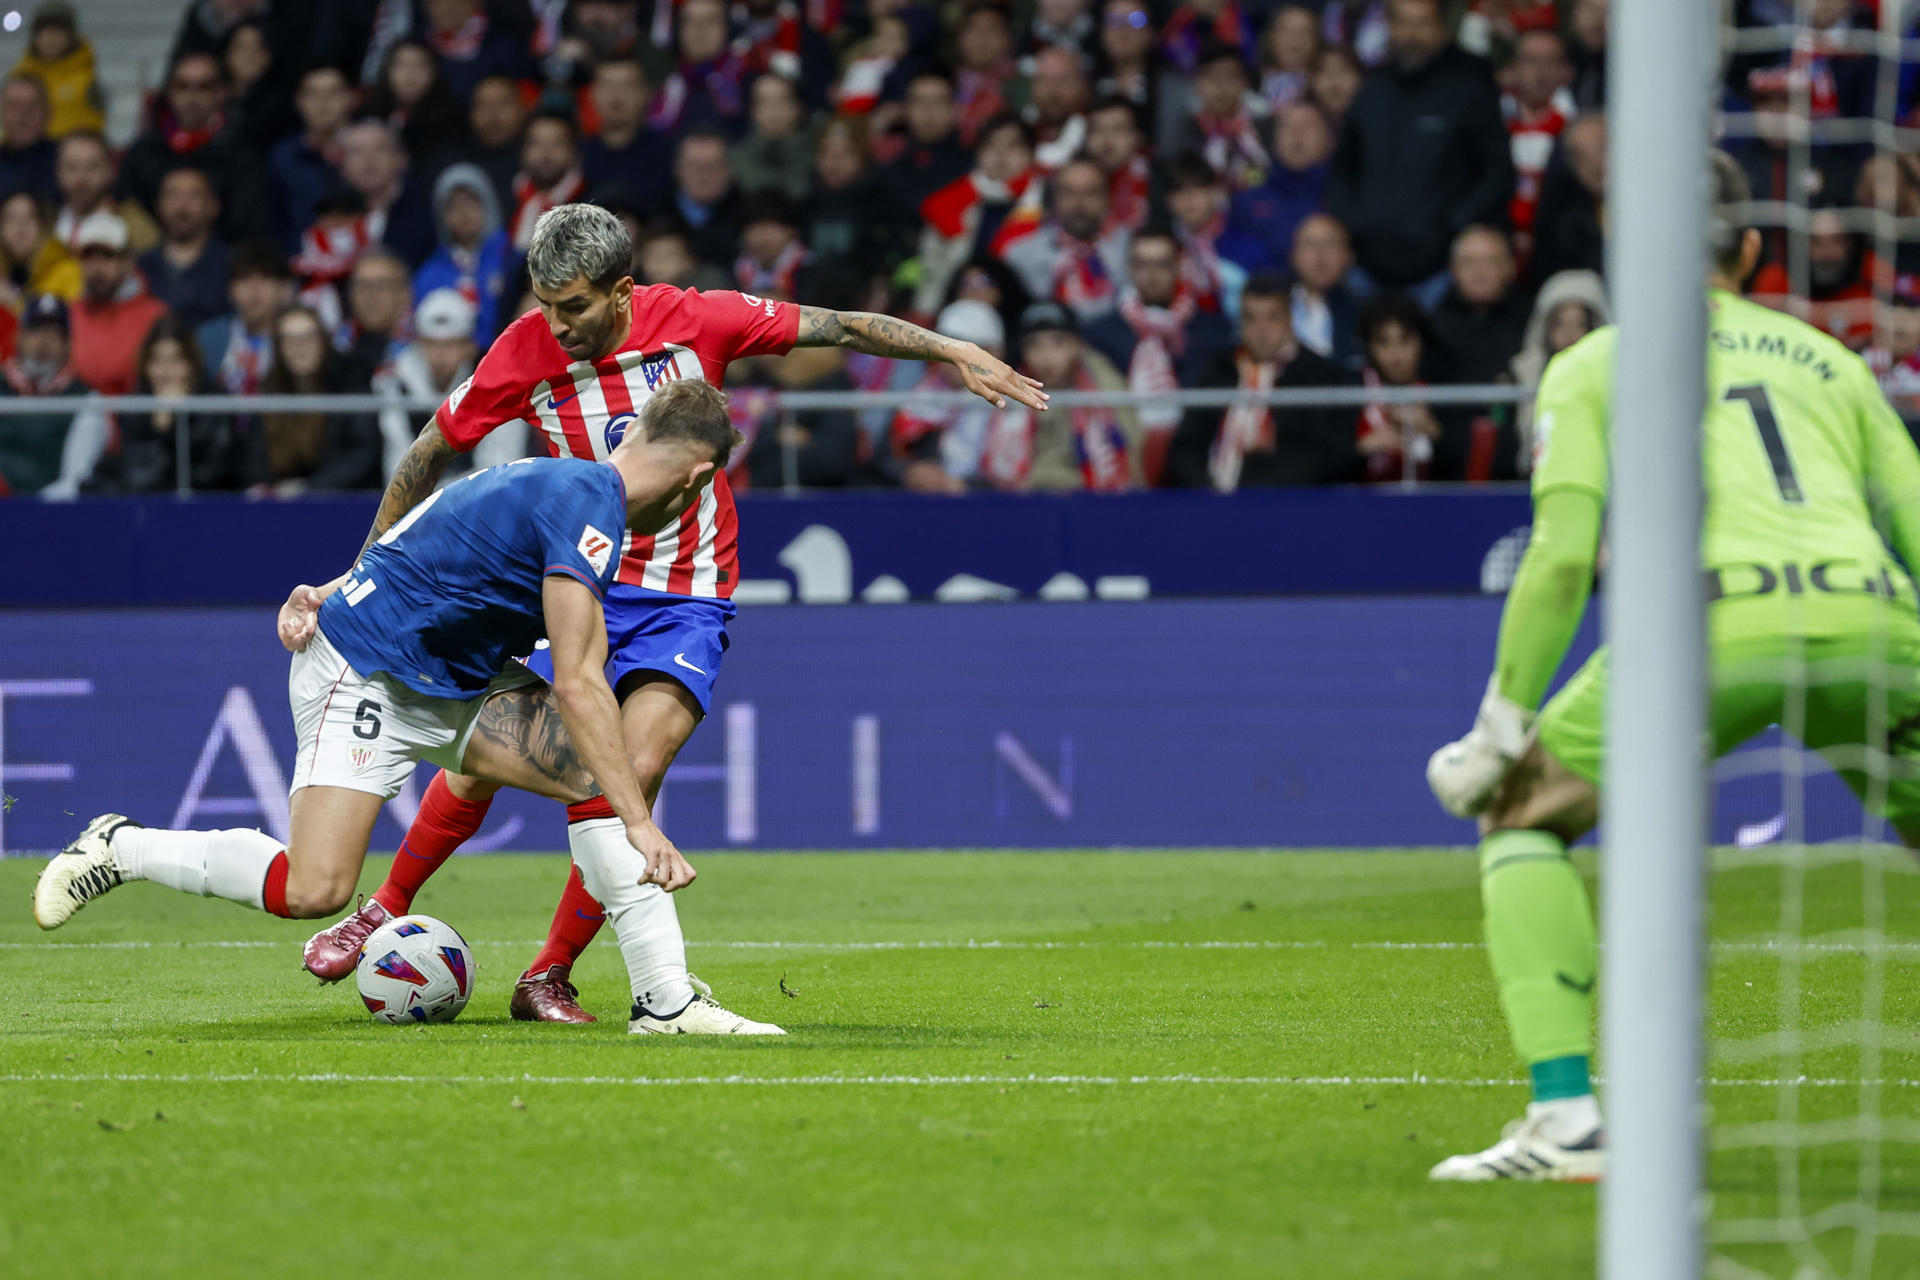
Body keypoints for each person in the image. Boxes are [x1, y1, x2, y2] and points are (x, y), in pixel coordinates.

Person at [302, 203, 1045, 1025]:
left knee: (632, 770)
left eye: (574, 306)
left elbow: (839, 328)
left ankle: (548, 974)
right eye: (544, 304)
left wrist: (950, 348)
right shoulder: (522, 350)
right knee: (484, 763)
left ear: (622, 290)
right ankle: (382, 905)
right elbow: (428, 454)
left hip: (686, 593)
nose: (557, 323)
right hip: (573, 581)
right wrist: (358, 572)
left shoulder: (696, 322)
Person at [1421, 153, 1920, 1180]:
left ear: (1622, 244)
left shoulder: (1599, 359)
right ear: (1749, 247)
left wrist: (1503, 719)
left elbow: (1562, 556)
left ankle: (1566, 1119)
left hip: (1706, 630)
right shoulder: (1832, 359)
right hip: (1875, 621)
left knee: (1522, 814)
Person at [34, 383, 740, 1044]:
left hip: (452, 675)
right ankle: (120, 846)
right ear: (697, 480)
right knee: (313, 890)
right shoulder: (589, 506)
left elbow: (430, 538)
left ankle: (664, 1001)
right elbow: (582, 683)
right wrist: (643, 824)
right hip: (363, 669)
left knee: (598, 777)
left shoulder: (563, 483)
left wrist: (335, 582)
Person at [1325, 0, 1513, 307]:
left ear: (1441, 30)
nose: (1412, 34)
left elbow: (1497, 173)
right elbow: (1342, 166)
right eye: (1402, 22)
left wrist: (1454, 223)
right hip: (1366, 268)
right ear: (1389, 27)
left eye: (1423, 23)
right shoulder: (1372, 88)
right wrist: (1354, 222)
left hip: (1440, 275)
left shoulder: (1469, 90)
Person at [1168, 271, 1354, 488]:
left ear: (1289, 319)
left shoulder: (1320, 376)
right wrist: (1207, 489)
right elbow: (1187, 445)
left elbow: (1323, 455)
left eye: (1272, 317)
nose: (1261, 330)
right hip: (1213, 500)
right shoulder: (1219, 369)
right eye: (1251, 318)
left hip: (1288, 503)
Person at [1084, 225, 1232, 471]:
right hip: (1126, 458)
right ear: (1129, 268)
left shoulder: (1213, 330)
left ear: (1178, 267)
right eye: (1142, 264)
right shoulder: (1101, 334)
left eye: (1162, 264)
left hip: (1199, 460)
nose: (1152, 275)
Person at [985, 299, 1140, 491]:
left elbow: (1131, 454)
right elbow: (998, 470)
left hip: (1095, 499)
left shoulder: (1103, 384)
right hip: (1027, 500)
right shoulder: (1011, 390)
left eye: (1058, 343)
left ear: (1078, 346)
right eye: (1034, 345)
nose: (1046, 356)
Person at [119, 50, 269, 243]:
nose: (192, 96)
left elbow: (247, 225)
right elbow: (129, 209)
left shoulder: (242, 156)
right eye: (183, 86)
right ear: (169, 92)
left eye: (204, 87)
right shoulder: (143, 153)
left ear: (221, 92)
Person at [247, 303, 382, 494]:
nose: (299, 347)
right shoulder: (270, 390)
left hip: (343, 502)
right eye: (290, 340)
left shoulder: (350, 382)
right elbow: (255, 457)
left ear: (323, 342)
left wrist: (308, 489)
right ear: (279, 348)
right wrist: (261, 487)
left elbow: (362, 452)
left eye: (308, 338)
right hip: (281, 504)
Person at [105, 314, 236, 493]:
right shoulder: (134, 407)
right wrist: (160, 425)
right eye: (156, 360)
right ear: (145, 365)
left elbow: (213, 473)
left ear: (191, 364)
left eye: (175, 360)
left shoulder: (215, 403)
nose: (165, 371)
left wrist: (175, 424)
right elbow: (137, 477)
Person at [0, 292, 105, 498]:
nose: (43, 341)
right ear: (19, 337)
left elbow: (75, 480)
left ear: (67, 345)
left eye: (54, 333)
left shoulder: (86, 399)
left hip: (50, 518)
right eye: (36, 330)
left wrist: (26, 510)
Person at [377, 287, 488, 480]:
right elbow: (396, 465)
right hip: (416, 500)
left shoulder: (489, 384)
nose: (439, 355)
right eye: (431, 344)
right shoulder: (395, 382)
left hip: (474, 501)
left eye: (450, 344)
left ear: (468, 348)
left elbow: (499, 461)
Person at [1004, 156, 1129, 321]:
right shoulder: (1020, 254)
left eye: (1090, 193)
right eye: (1068, 193)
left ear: (1107, 198)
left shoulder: (1130, 247)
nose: (1079, 203)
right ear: (1055, 198)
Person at [1506, 267, 1607, 469]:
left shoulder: (1614, 377)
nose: (1569, 334)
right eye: (1560, 323)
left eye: (1580, 324)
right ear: (1544, 326)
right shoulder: (1520, 374)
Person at [1219, 99, 1331, 274]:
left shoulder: (1345, 198)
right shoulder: (1245, 202)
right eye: (1287, 127)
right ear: (1274, 139)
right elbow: (1230, 259)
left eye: (1307, 126)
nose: (1297, 134)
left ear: (1329, 139)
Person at [68, 211, 169, 397]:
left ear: (128, 261)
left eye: (107, 256)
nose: (97, 268)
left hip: (133, 420)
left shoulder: (156, 316)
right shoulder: (68, 314)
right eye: (88, 257)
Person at [414, 163, 514, 344]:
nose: (464, 212)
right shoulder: (430, 273)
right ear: (441, 216)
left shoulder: (511, 257)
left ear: (488, 205)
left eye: (471, 201)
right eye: (453, 206)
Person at [1427, 225, 1531, 385]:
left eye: (1490, 261)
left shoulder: (1531, 320)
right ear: (1453, 269)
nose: (1479, 271)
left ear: (1510, 268)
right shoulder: (1432, 327)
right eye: (1469, 262)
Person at [266, 65, 355, 242]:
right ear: (298, 101)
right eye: (312, 94)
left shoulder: (370, 149)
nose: (323, 102)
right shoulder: (283, 157)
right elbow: (275, 222)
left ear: (349, 98)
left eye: (333, 93)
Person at [136, 165, 229, 330]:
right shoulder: (139, 268)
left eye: (194, 196)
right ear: (158, 205)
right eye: (173, 195)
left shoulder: (231, 266)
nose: (182, 206)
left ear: (213, 206)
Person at [196, 239, 292, 393]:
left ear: (284, 289)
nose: (254, 289)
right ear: (230, 291)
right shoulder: (208, 339)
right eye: (244, 278)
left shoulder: (299, 338)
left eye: (265, 278)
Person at [581, 56, 671, 211]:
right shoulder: (577, 155)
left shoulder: (668, 155)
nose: (616, 96)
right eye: (607, 85)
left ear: (646, 94)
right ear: (592, 94)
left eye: (627, 86)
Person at [52, 130, 159, 255]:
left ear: (110, 170)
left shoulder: (134, 226)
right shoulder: (44, 220)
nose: (81, 178)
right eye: (71, 167)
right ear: (57, 171)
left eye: (92, 167)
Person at [13, 2, 104, 139]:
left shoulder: (88, 80)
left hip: (73, 156)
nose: (51, 38)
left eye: (59, 31)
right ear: (35, 37)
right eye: (45, 31)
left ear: (71, 36)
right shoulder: (20, 78)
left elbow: (97, 124)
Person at [1288, 212, 1361, 371]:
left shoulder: (1363, 312)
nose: (1320, 255)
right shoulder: (1271, 305)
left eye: (1330, 244)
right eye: (1310, 244)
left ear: (1349, 256)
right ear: (1293, 255)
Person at [509, 110, 587, 253]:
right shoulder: (508, 198)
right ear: (522, 151)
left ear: (573, 152)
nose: (546, 152)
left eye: (557, 143)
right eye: (536, 143)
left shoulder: (590, 203)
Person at [0, 187, 79, 307]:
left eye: (30, 217)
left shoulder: (69, 273)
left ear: (44, 226)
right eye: (11, 218)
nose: (20, 226)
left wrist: (13, 305)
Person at [0, 70, 56, 203]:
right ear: (2, 111)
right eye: (14, 105)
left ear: (48, 111)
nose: (23, 113)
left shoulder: (65, 162)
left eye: (33, 105)